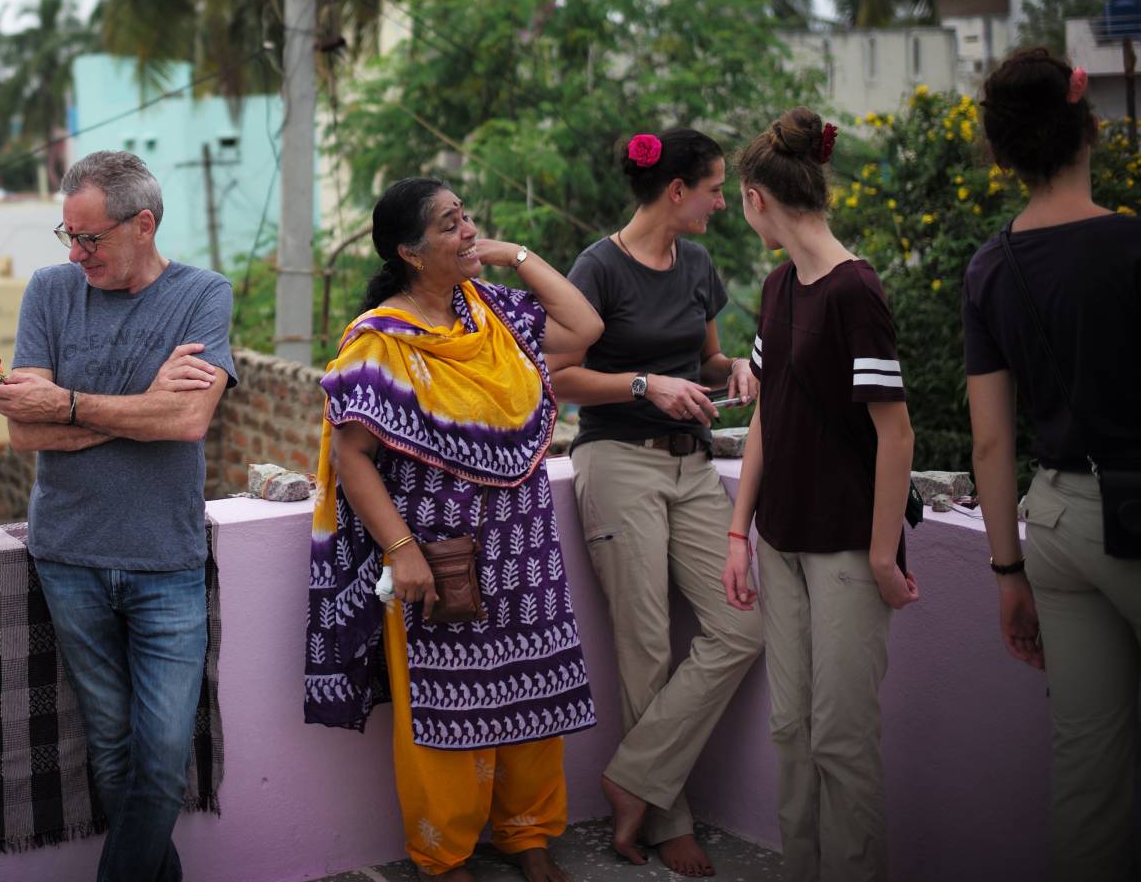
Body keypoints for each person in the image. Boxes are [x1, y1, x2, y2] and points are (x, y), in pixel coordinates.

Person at [305, 177, 605, 882]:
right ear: (410, 252)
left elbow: (585, 329)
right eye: (450, 224)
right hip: (441, 557)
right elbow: (352, 457)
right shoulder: (380, 342)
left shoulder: (491, 312)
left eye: (466, 217)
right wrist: (400, 549)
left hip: (523, 550)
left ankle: (527, 834)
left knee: (532, 691)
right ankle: (444, 854)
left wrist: (509, 252)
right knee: (444, 710)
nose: (467, 230)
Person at [0, 150, 235, 882]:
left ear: (144, 224)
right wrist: (140, 407)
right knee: (111, 750)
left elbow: (189, 420)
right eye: (67, 235)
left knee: (160, 760)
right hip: (68, 554)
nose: (76, 252)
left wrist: (68, 401)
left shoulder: (202, 295)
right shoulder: (51, 291)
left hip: (166, 559)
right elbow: (24, 432)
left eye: (90, 238)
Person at [548, 130, 764, 876]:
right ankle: (666, 818)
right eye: (711, 187)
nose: (718, 202)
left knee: (742, 627)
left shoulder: (697, 263)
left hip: (692, 468)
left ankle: (631, 777)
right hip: (617, 464)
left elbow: (704, 357)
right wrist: (644, 384)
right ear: (677, 191)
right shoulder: (598, 267)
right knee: (645, 648)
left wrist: (732, 365)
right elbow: (559, 377)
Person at [720, 108, 917, 882]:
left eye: (742, 198)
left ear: (759, 197)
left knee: (840, 738)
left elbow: (896, 433)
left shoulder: (854, 290)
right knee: (790, 733)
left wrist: (880, 551)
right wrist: (740, 532)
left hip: (846, 549)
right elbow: (769, 409)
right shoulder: (778, 288)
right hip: (781, 539)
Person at [962, 50, 1141, 880]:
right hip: (1132, 514)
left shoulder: (992, 266)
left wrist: (1008, 570)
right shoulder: (1129, 246)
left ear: (1002, 157)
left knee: (1088, 766)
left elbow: (992, 440)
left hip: (1059, 525)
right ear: (1089, 128)